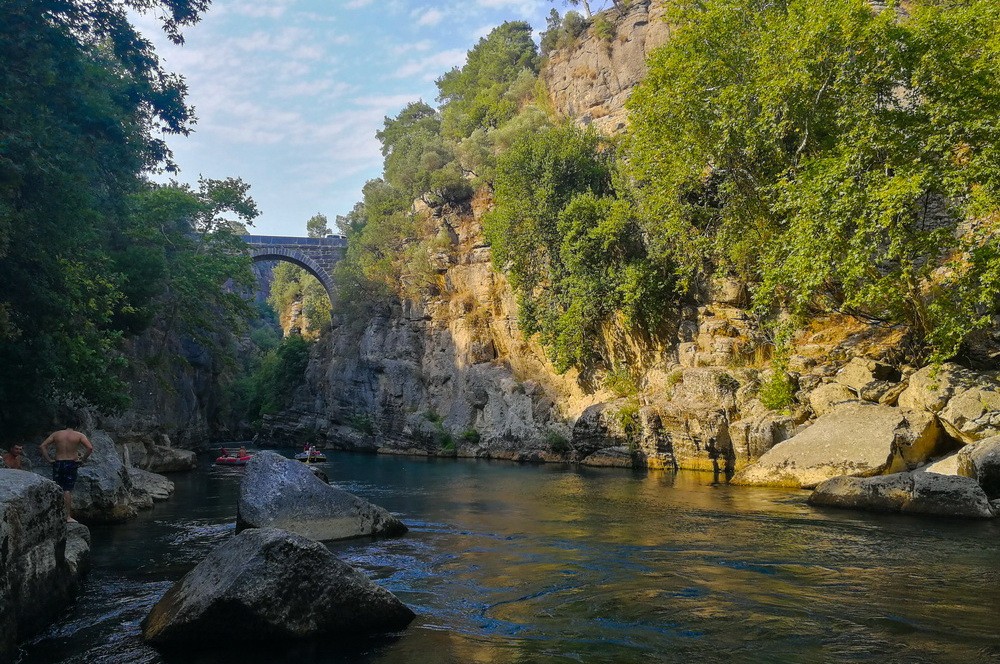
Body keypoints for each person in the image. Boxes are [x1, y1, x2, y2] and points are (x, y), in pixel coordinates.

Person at [39, 419, 94, 522]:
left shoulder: (57, 434)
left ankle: (56, 514)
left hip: (58, 463)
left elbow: (42, 446)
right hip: (70, 463)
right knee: (67, 489)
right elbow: (90, 448)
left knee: (57, 488)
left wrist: (49, 460)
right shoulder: (79, 435)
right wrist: (82, 460)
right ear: (77, 426)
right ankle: (67, 516)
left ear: (66, 425)